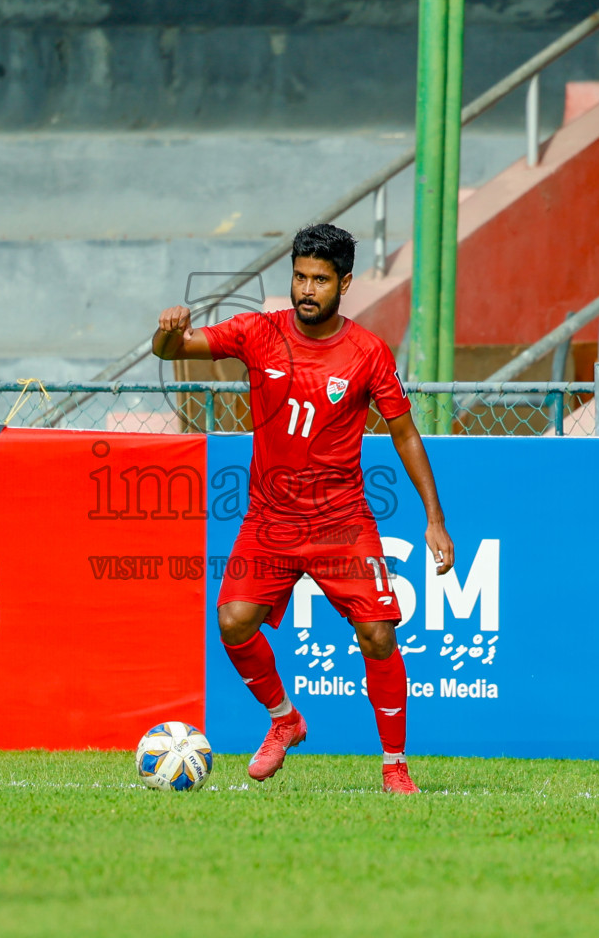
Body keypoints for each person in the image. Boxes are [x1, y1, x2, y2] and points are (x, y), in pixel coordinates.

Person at [152, 222, 455, 795]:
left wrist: (433, 519)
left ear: (344, 284)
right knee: (232, 622)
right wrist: (167, 333)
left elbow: (406, 435)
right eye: (299, 276)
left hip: (341, 521)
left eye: (320, 279)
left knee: (379, 636)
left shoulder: (368, 353)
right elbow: (173, 352)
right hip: (270, 518)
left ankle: (395, 766)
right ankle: (284, 719)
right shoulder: (255, 332)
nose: (306, 289)